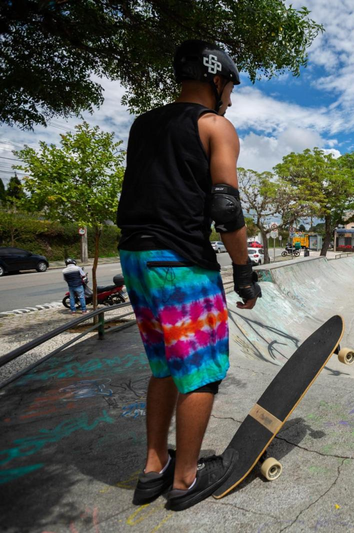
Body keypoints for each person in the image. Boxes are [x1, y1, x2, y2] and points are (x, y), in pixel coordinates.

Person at [116, 40, 261, 512]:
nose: (232, 99)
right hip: (180, 264)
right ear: (217, 81)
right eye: (231, 88)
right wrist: (243, 270)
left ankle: (152, 469)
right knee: (201, 372)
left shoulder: (143, 124)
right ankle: (185, 480)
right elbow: (225, 205)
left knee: (164, 367)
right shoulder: (215, 125)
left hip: (134, 259)